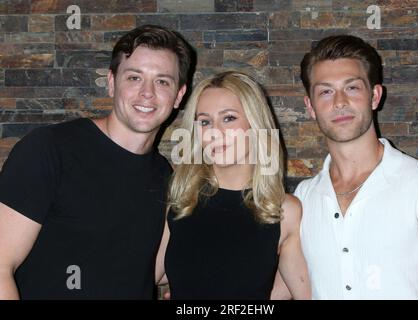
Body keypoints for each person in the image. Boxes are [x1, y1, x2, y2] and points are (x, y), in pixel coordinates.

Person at [0, 24, 192, 299]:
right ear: (112, 82)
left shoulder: (165, 176)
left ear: (179, 95)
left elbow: (150, 271)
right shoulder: (49, 149)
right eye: (134, 78)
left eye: (162, 81)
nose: (147, 93)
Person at [273, 35, 418, 299]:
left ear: (375, 96)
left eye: (352, 88)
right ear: (310, 106)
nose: (340, 101)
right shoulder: (303, 199)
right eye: (325, 91)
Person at [154, 71, 311, 300]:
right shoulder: (182, 201)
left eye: (228, 118)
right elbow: (148, 277)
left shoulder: (284, 210)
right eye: (205, 122)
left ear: (254, 124)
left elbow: (303, 293)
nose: (215, 132)